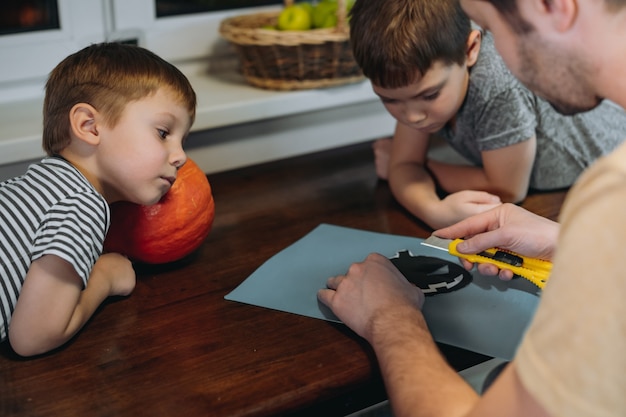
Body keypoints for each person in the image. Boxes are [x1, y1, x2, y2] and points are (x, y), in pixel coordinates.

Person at [318, 0, 626, 415]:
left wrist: (389, 317)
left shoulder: (610, 199)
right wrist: (569, 245)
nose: (501, 58)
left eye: (487, 23)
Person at [351, 0, 626, 229]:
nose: (412, 117)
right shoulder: (417, 86)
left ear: (471, 49)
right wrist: (434, 210)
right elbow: (402, 165)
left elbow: (507, 189)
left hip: (596, 172)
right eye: (389, 99)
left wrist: (422, 165)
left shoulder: (496, 83)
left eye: (430, 95)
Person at [0, 43, 197, 357]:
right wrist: (104, 277)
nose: (181, 157)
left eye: (183, 140)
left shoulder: (42, 184)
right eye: (163, 133)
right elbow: (32, 336)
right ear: (89, 126)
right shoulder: (83, 204)